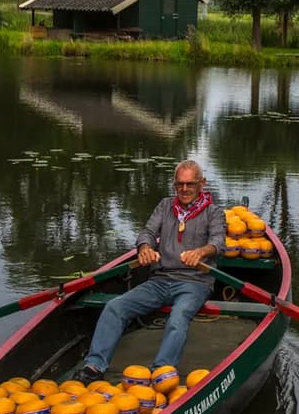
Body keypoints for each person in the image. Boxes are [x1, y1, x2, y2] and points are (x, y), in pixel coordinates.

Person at [74, 160, 226, 383]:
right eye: (179, 184)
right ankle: (95, 366)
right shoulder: (165, 206)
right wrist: (145, 248)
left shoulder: (214, 212)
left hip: (194, 282)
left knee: (178, 318)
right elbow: (147, 232)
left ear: (201, 184)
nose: (184, 190)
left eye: (190, 184)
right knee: (115, 307)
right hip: (160, 280)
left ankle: (161, 373)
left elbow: (218, 244)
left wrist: (201, 253)